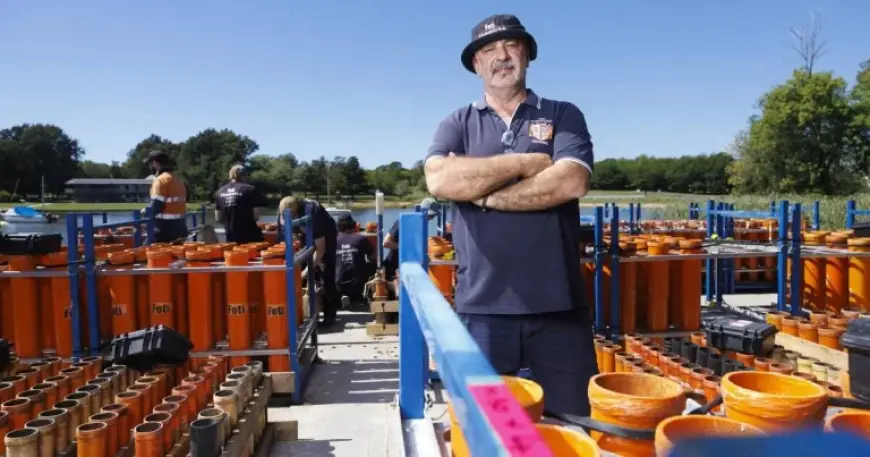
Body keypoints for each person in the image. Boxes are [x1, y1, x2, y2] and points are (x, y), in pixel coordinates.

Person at [423, 14, 596, 417]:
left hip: (559, 303)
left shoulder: (562, 114)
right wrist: (524, 163)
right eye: (488, 50)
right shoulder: (457, 123)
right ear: (476, 65)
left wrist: (484, 195)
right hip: (482, 306)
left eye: (511, 46)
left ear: (528, 56)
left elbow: (570, 181)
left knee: (571, 421)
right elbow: (440, 180)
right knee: (488, 424)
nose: (501, 56)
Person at [277, 195, 340, 326]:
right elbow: (282, 242)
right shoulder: (283, 211)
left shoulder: (313, 212)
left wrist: (305, 273)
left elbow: (320, 250)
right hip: (304, 235)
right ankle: (300, 312)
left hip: (325, 237)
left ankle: (329, 313)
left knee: (325, 271)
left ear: (297, 212)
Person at [382, 197, 442, 280]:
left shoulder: (421, 225)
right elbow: (386, 242)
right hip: (394, 267)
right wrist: (407, 249)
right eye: (431, 215)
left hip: (410, 266)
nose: (431, 219)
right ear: (422, 212)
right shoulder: (403, 222)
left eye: (433, 216)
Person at [213, 165, 268, 244]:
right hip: (251, 238)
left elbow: (218, 218)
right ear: (244, 176)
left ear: (230, 176)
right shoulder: (251, 190)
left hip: (231, 238)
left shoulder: (219, 192)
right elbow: (256, 217)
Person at [143, 150, 189, 243]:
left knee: (144, 251)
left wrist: (143, 211)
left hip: (164, 231)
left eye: (150, 164)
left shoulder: (160, 180)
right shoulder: (178, 180)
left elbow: (156, 206)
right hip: (180, 229)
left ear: (155, 163)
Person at [335, 214, 376, 307]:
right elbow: (372, 257)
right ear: (354, 226)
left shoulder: (334, 240)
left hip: (338, 283)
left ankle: (341, 296)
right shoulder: (361, 239)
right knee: (373, 266)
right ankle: (361, 296)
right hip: (357, 284)